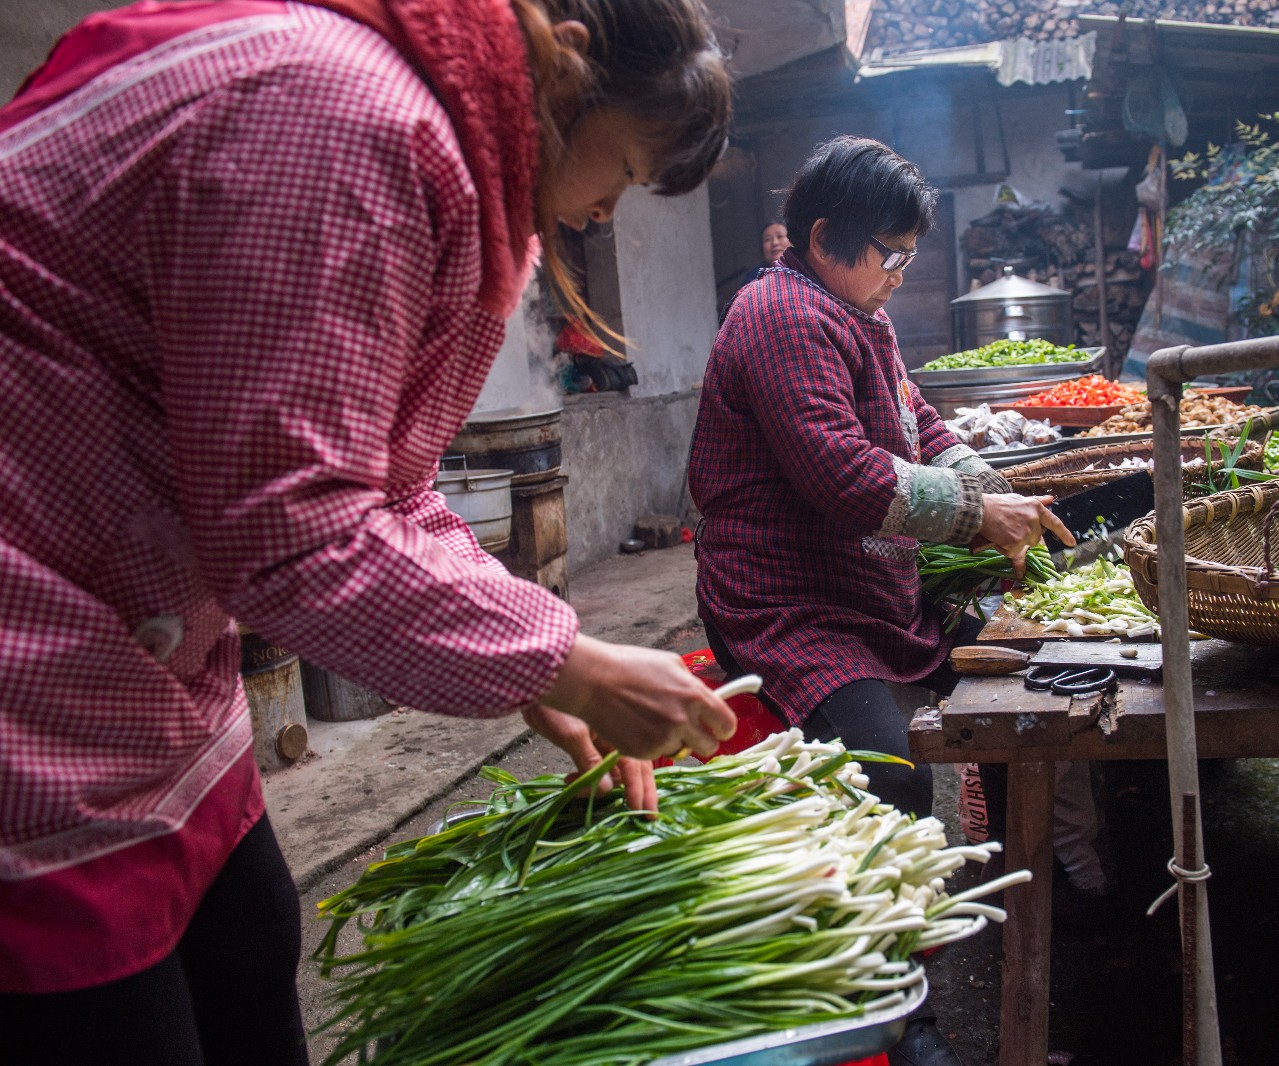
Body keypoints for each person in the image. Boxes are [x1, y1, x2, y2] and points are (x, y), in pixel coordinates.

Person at [0, 1, 736, 1062]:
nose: (595, 214)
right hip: (36, 656)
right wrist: (567, 662)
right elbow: (291, 530)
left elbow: (378, 488)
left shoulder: (414, 127)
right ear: (566, 69)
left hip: (141, 645)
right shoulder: (347, 117)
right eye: (615, 171)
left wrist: (533, 658)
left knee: (249, 938)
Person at [689, 135, 1074, 1066]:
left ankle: (1034, 886)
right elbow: (843, 473)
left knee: (1041, 675)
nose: (901, 273)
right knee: (889, 774)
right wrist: (979, 512)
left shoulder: (855, 308)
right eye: (890, 254)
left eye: (908, 254)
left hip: (867, 582)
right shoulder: (779, 315)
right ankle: (908, 1021)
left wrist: (986, 490)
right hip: (789, 603)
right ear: (825, 238)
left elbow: (918, 422)